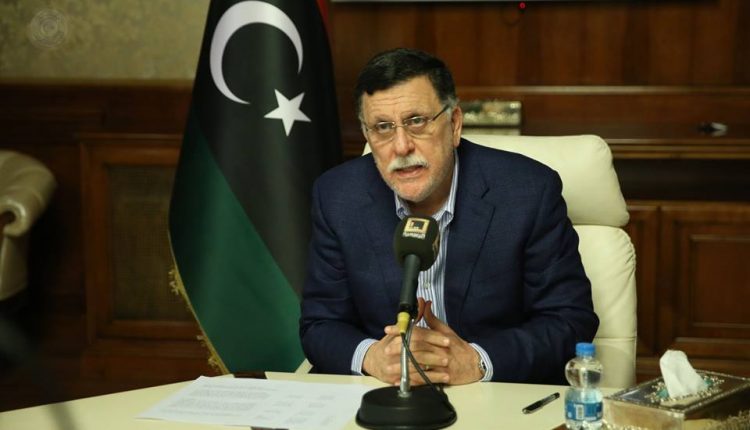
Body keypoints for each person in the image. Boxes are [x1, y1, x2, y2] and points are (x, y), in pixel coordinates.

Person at [299, 48, 598, 386]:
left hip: (492, 395)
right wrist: (372, 357)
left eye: (416, 121)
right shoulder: (338, 196)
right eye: (382, 127)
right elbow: (319, 324)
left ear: (454, 124)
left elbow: (569, 320)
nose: (401, 146)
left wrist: (478, 361)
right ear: (367, 135)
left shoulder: (527, 192)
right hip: (384, 394)